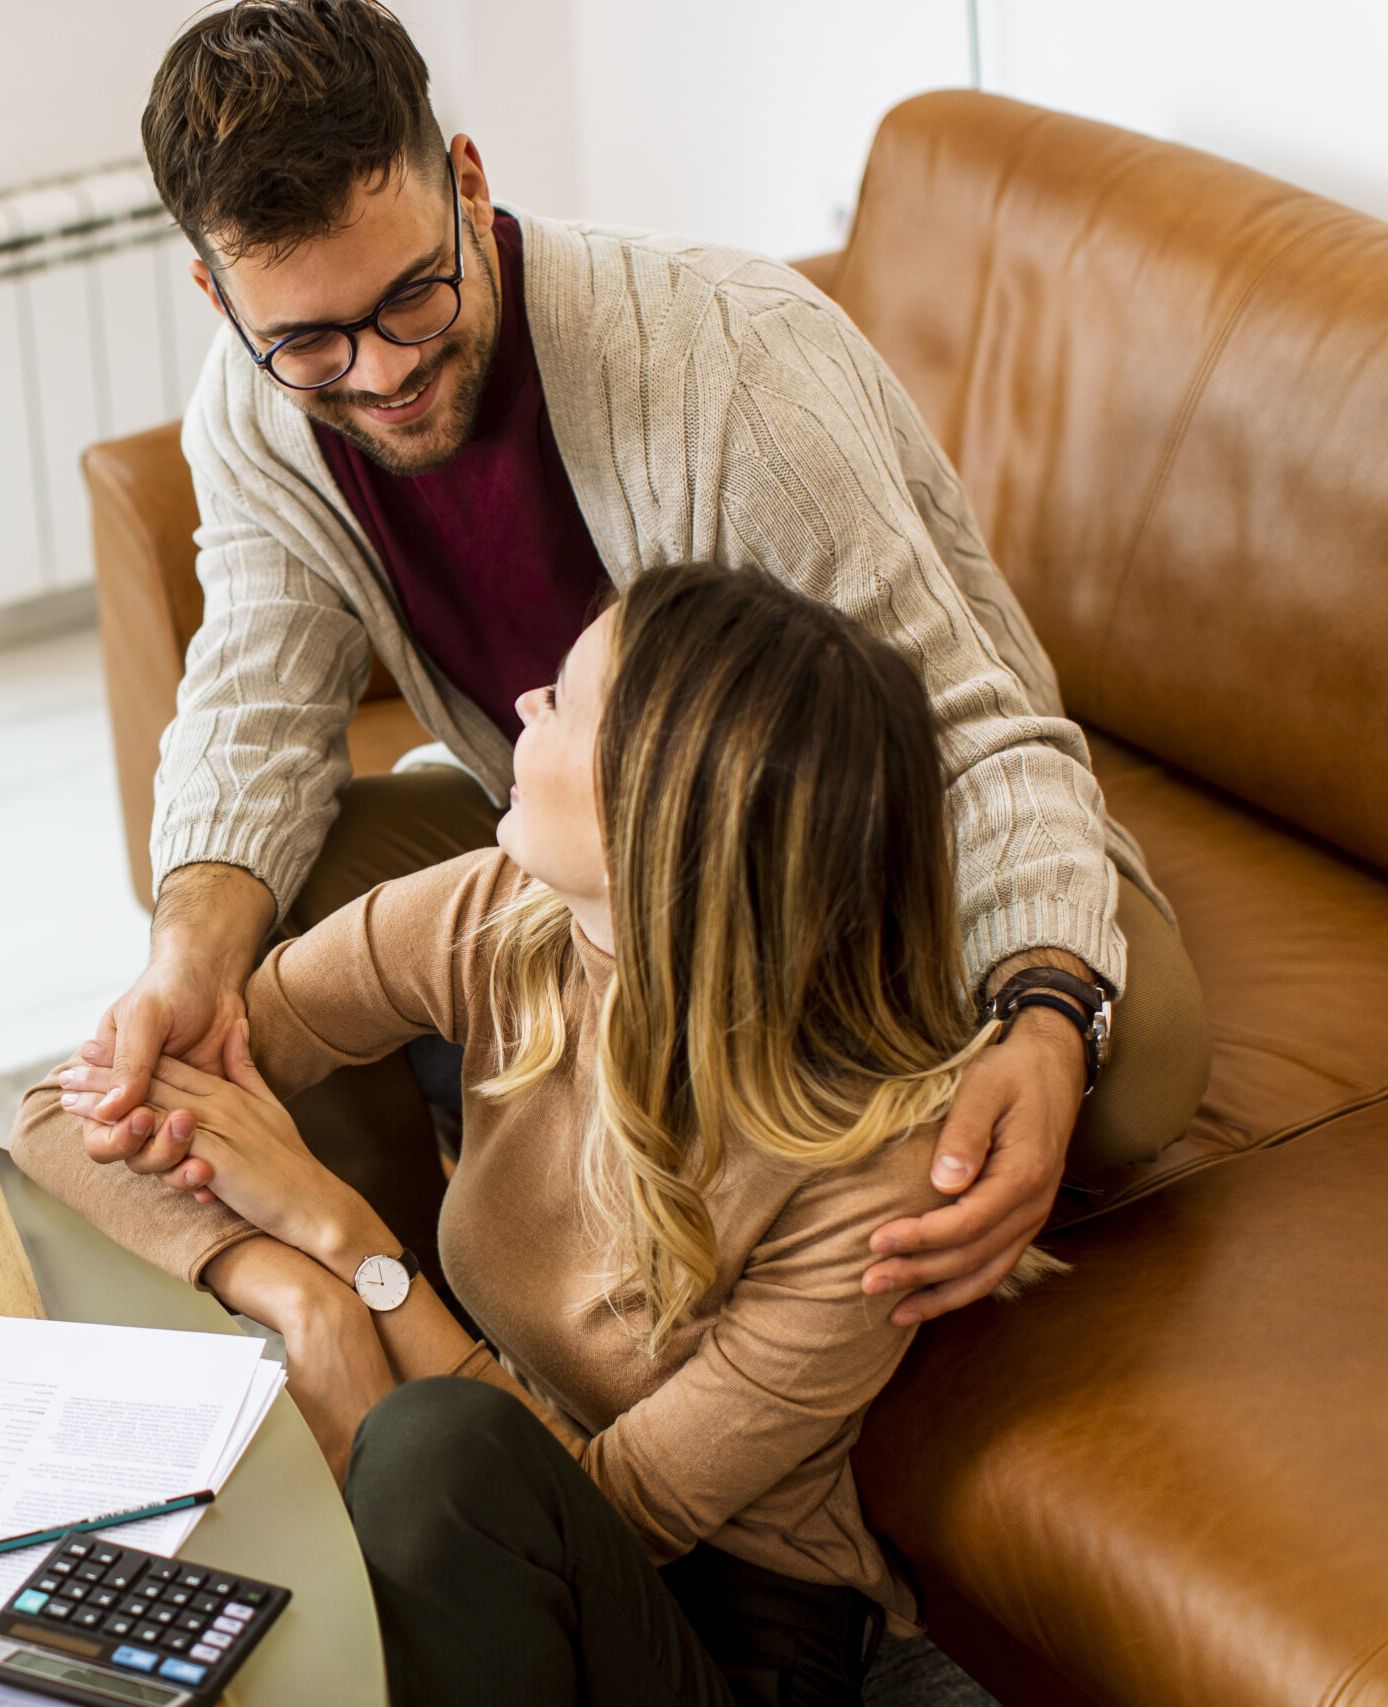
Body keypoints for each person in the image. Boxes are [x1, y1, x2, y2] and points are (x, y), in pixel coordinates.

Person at [81, 0, 1209, 1324]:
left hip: (849, 862)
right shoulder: (256, 418)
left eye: (410, 296)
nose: (380, 372)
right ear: (219, 297)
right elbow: (252, 707)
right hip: (607, 880)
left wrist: (1045, 1007)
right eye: (311, 342)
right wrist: (186, 957)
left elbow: (965, 725)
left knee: (1136, 1084)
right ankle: (409, 1317)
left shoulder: (727, 357)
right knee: (264, 903)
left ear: (469, 182)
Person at [21, 566, 1043, 1705]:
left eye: (562, 698)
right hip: (500, 1532)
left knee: (432, 1451)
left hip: (726, 1632)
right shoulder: (502, 919)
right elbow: (56, 1120)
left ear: (652, 811)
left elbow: (615, 1514)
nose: (521, 706)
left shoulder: (871, 1181)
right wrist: (296, 1292)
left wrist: (343, 1240)